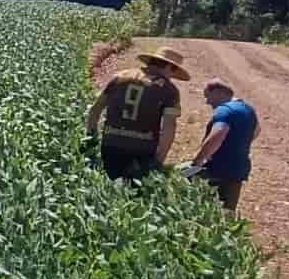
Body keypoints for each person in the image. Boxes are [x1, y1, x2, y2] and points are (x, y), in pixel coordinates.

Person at [85, 45, 191, 180]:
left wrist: (91, 138)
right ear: (170, 67)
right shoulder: (169, 90)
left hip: (111, 143)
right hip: (143, 149)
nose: (171, 77)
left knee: (108, 188)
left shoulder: (119, 77)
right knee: (134, 194)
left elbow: (95, 109)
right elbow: (169, 126)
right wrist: (159, 159)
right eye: (173, 71)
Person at [184, 77, 259, 211]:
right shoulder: (248, 110)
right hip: (239, 169)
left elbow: (218, 133)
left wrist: (198, 161)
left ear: (218, 92)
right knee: (227, 211)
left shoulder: (225, 110)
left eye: (208, 96)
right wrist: (238, 145)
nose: (207, 102)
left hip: (217, 169)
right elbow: (257, 130)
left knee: (197, 204)